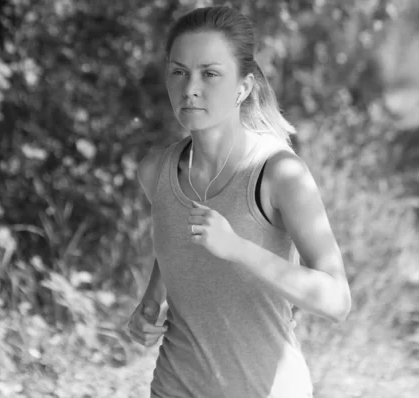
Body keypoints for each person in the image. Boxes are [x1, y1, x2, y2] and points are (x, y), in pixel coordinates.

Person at [128, 5, 351, 398]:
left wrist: (237, 248)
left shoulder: (278, 174)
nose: (190, 88)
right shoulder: (156, 172)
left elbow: (336, 301)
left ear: (243, 87)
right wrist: (152, 298)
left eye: (210, 74)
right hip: (174, 386)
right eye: (179, 71)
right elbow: (179, 239)